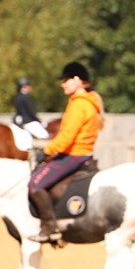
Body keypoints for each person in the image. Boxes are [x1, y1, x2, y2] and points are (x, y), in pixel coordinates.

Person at [27, 62, 104, 243]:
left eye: (66, 80)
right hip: (82, 152)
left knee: (35, 184)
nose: (63, 84)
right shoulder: (89, 103)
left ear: (77, 80)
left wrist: (46, 151)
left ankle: (49, 227)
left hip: (74, 154)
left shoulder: (79, 105)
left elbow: (67, 136)